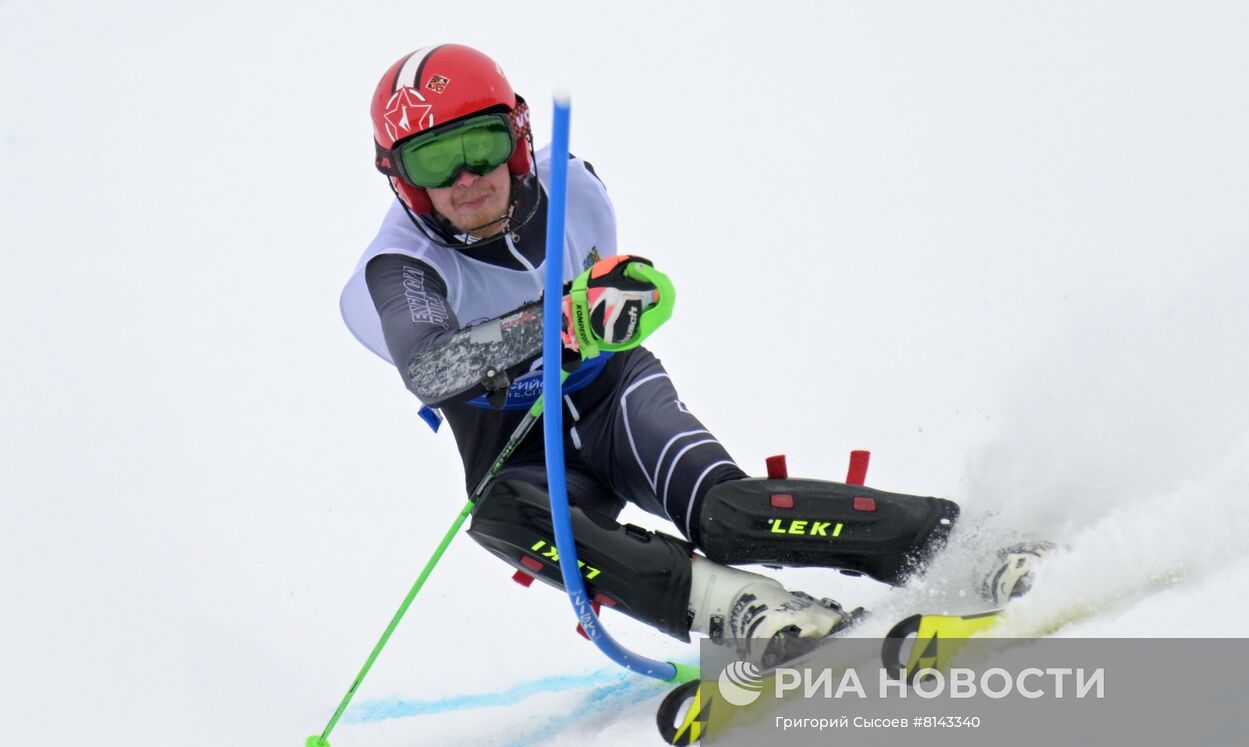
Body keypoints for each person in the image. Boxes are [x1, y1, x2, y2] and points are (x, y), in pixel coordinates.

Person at [340, 44, 1031, 667]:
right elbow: (431, 369)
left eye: (482, 144)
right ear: (403, 179)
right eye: (434, 160)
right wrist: (565, 317)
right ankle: (747, 610)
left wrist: (628, 296)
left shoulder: (573, 187)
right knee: (502, 516)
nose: (466, 177)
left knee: (727, 514)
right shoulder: (398, 266)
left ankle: (962, 543)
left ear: (516, 139)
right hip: (514, 446)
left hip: (613, 399)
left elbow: (615, 293)